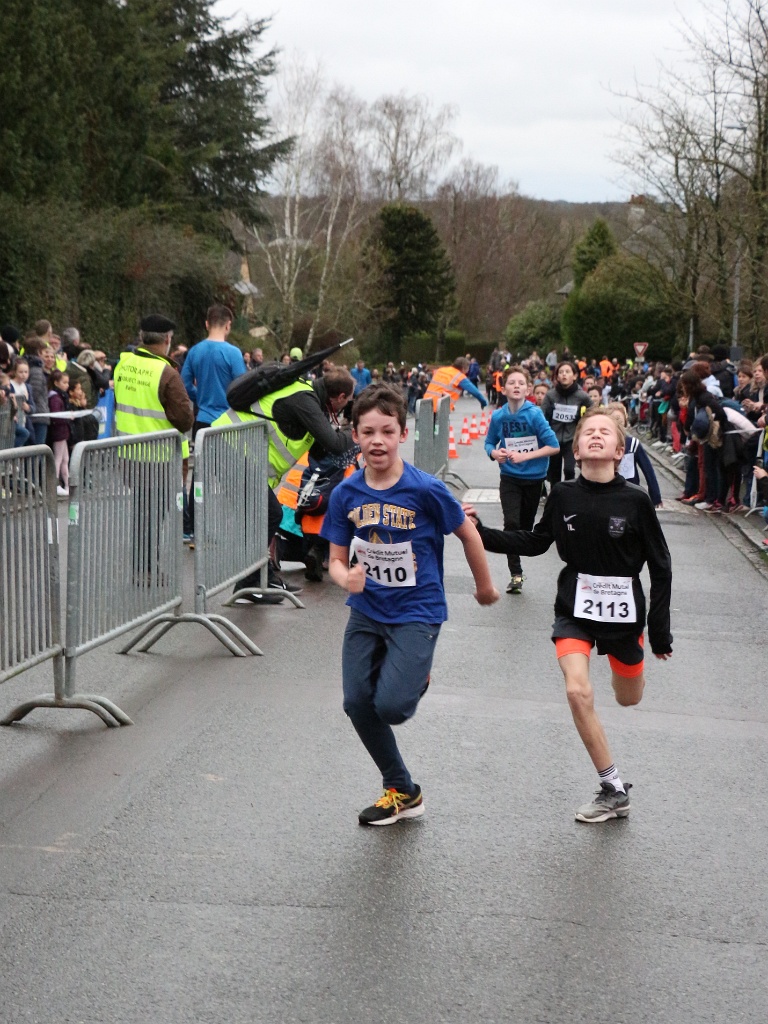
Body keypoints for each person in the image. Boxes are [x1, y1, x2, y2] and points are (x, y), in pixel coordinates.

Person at [465, 407, 673, 823]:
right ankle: (613, 788)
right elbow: (536, 541)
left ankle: (629, 665)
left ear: (619, 451)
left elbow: (661, 565)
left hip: (623, 614)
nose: (596, 436)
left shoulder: (635, 500)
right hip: (574, 607)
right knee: (578, 692)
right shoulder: (562, 495)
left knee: (628, 698)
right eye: (588, 432)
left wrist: (659, 631)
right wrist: (480, 533)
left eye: (605, 432)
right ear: (575, 450)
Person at [321, 384, 499, 825]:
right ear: (355, 436)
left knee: (392, 707)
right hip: (366, 611)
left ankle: (413, 676)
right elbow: (336, 562)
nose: (377, 441)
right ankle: (402, 789)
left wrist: (484, 587)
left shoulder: (426, 490)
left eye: (387, 431)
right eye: (367, 432)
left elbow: (468, 534)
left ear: (403, 434)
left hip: (417, 610)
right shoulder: (346, 494)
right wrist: (346, 579)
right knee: (356, 702)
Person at [219, 367, 357, 603]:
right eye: (347, 402)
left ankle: (262, 577)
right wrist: (357, 434)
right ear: (341, 397)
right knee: (269, 514)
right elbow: (333, 443)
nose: (345, 408)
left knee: (262, 515)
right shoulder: (305, 400)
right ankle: (249, 584)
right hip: (229, 447)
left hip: (235, 451)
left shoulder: (311, 402)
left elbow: (320, 449)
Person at [485, 366, 559, 594]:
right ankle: (516, 574)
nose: (516, 386)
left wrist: (525, 456)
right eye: (511, 382)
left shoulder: (534, 414)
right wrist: (494, 453)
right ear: (503, 388)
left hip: (534, 479)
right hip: (509, 477)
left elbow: (553, 446)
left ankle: (518, 558)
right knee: (511, 524)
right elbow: (489, 442)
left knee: (524, 529)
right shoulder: (499, 416)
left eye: (521, 383)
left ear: (528, 389)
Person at [181, 305, 247, 539]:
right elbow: (242, 387)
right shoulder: (233, 353)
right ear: (228, 325)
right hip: (227, 421)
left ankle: (190, 527)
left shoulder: (195, 351)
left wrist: (200, 396)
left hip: (202, 421)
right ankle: (240, 526)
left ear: (207, 324)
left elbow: (184, 384)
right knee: (231, 476)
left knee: (200, 476)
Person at [540, 360, 590, 483]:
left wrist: (583, 423)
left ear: (575, 376)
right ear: (557, 377)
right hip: (553, 438)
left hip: (571, 439)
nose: (564, 374)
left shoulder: (582, 396)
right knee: (554, 472)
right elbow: (542, 415)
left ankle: (569, 490)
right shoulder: (550, 395)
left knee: (569, 470)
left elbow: (593, 411)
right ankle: (555, 492)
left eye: (567, 372)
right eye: (561, 372)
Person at [606, 402, 662, 507]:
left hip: (631, 493)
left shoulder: (633, 444)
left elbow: (648, 470)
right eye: (613, 420)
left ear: (625, 421)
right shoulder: (603, 443)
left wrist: (655, 496)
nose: (617, 424)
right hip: (608, 493)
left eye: (619, 419)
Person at [423, 356, 488, 412]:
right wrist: (483, 402)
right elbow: (475, 392)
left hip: (425, 403)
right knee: (438, 423)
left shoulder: (441, 370)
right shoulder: (459, 377)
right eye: (468, 368)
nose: (468, 371)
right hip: (439, 407)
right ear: (463, 368)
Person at [48, 370, 72, 495]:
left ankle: (67, 485)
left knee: (65, 459)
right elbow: (56, 416)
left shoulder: (60, 396)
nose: (67, 385)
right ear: (56, 383)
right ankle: (55, 484)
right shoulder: (55, 398)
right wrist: (67, 417)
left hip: (63, 431)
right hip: (59, 432)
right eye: (64, 382)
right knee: (58, 458)